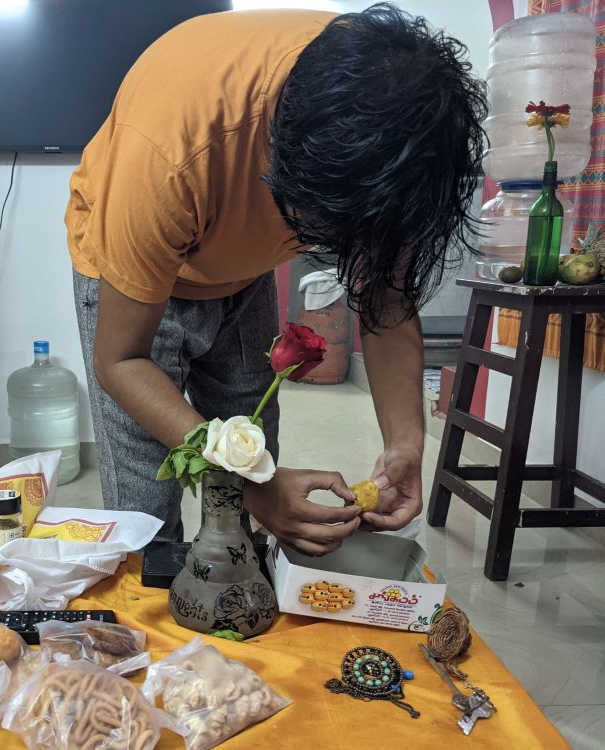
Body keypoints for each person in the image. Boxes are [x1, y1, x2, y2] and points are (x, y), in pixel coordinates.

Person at [66, 4, 486, 553]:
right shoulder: (170, 148)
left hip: (242, 270)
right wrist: (246, 486)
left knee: (253, 442)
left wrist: (406, 443)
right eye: (327, 228)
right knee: (147, 508)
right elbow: (121, 361)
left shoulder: (400, 138)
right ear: (281, 157)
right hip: (136, 279)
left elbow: (386, 300)